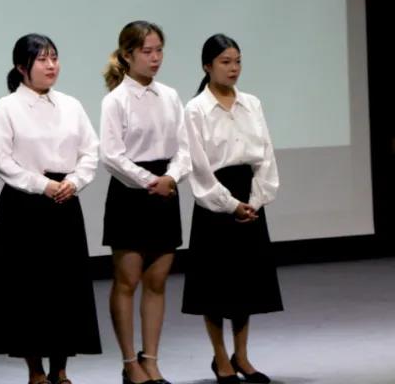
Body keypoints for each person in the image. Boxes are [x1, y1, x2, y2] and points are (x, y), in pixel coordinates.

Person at [0, 34, 101, 384]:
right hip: (24, 206)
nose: (51, 65)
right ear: (22, 67)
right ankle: (35, 370)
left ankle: (61, 369)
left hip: (64, 202)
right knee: (29, 291)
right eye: (42, 59)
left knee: (65, 289)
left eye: (54, 57)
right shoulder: (7, 107)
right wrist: (41, 184)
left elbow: (90, 151)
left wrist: (75, 181)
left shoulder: (71, 105)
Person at [181, 35, 282, 384]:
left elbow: (266, 154)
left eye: (237, 61)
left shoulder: (252, 103)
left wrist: (256, 199)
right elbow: (198, 166)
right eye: (225, 62)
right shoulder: (195, 109)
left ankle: (242, 355)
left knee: (245, 286)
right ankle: (221, 357)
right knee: (214, 287)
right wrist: (229, 204)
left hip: (249, 196)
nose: (233, 68)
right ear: (207, 66)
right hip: (215, 202)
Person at [100, 20, 190, 384]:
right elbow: (111, 155)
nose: (155, 58)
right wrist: (149, 181)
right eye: (147, 51)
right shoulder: (116, 100)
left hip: (165, 189)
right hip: (131, 194)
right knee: (127, 281)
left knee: (157, 281)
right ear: (127, 55)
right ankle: (129, 362)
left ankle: (151, 359)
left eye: (159, 51)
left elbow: (184, 148)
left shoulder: (170, 96)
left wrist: (172, 177)